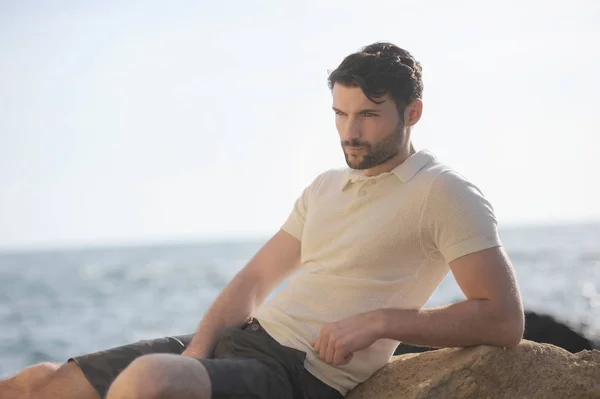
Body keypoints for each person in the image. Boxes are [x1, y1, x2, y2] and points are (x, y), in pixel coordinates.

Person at [0, 41, 525, 399]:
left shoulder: (444, 192)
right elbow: (255, 280)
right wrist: (201, 350)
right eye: (340, 115)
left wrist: (382, 321)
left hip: (299, 373)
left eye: (367, 114)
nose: (350, 132)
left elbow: (503, 319)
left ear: (413, 114)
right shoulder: (325, 186)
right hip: (244, 342)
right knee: (36, 383)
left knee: (151, 379)